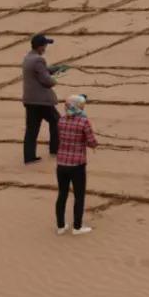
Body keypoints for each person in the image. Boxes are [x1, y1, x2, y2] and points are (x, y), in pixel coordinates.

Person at [55, 94, 98, 236]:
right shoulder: (83, 122)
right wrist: (91, 143)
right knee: (79, 196)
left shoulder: (61, 120)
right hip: (77, 164)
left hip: (61, 163)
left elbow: (61, 137)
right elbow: (91, 141)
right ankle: (77, 227)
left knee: (62, 194)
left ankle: (61, 226)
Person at [22, 33, 61, 164]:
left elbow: (39, 71)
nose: (45, 48)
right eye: (45, 45)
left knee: (31, 129)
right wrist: (54, 81)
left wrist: (53, 69)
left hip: (29, 100)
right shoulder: (39, 60)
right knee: (56, 121)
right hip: (41, 101)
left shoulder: (28, 57)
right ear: (40, 47)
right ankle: (55, 149)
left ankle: (29, 156)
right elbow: (45, 80)